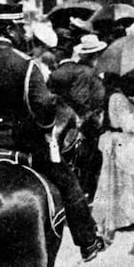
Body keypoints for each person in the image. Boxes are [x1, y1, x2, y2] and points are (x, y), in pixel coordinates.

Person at [0, 2, 106, 262]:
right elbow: (44, 111)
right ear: (11, 29)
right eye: (21, 28)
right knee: (68, 183)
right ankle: (88, 241)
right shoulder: (25, 65)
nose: (24, 34)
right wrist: (44, 129)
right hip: (19, 147)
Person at [92, 73, 134, 240]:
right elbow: (128, 124)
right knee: (123, 180)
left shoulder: (131, 99)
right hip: (124, 140)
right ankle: (123, 217)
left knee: (132, 180)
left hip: (133, 143)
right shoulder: (117, 98)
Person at [48, 33, 107, 200]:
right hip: (87, 124)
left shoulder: (79, 70)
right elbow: (78, 98)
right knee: (88, 159)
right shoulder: (85, 72)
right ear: (95, 55)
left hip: (79, 122)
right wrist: (90, 115)